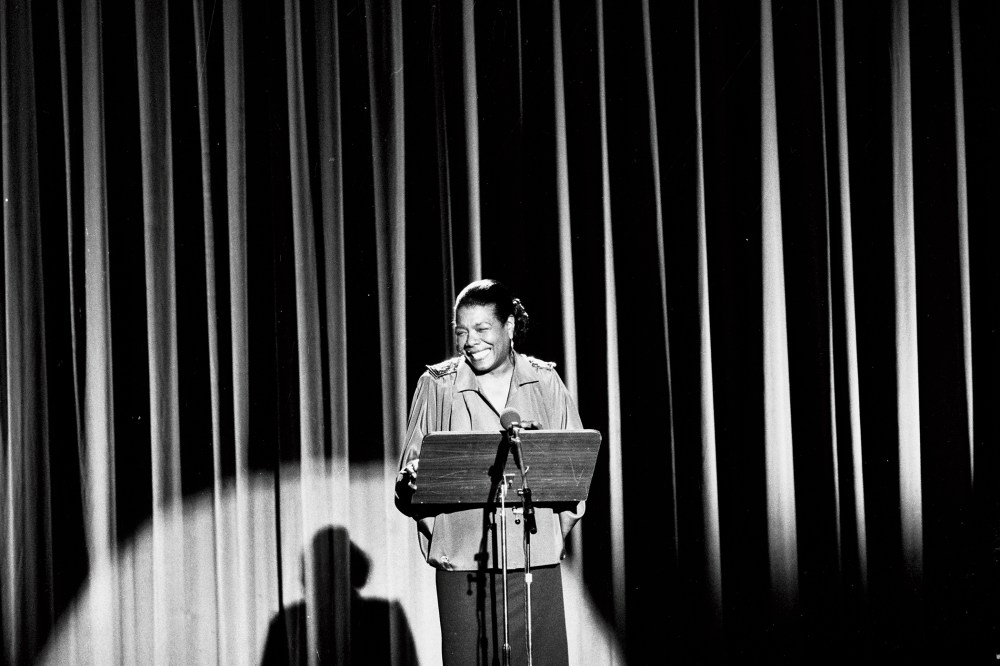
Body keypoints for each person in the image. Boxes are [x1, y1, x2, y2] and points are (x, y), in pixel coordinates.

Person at [395, 279, 585, 666]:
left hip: (533, 563)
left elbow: (574, 476)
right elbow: (408, 484)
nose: (470, 341)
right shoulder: (437, 386)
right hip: (464, 566)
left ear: (509, 326)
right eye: (461, 331)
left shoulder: (545, 381)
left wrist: (546, 539)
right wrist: (416, 485)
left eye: (482, 329)